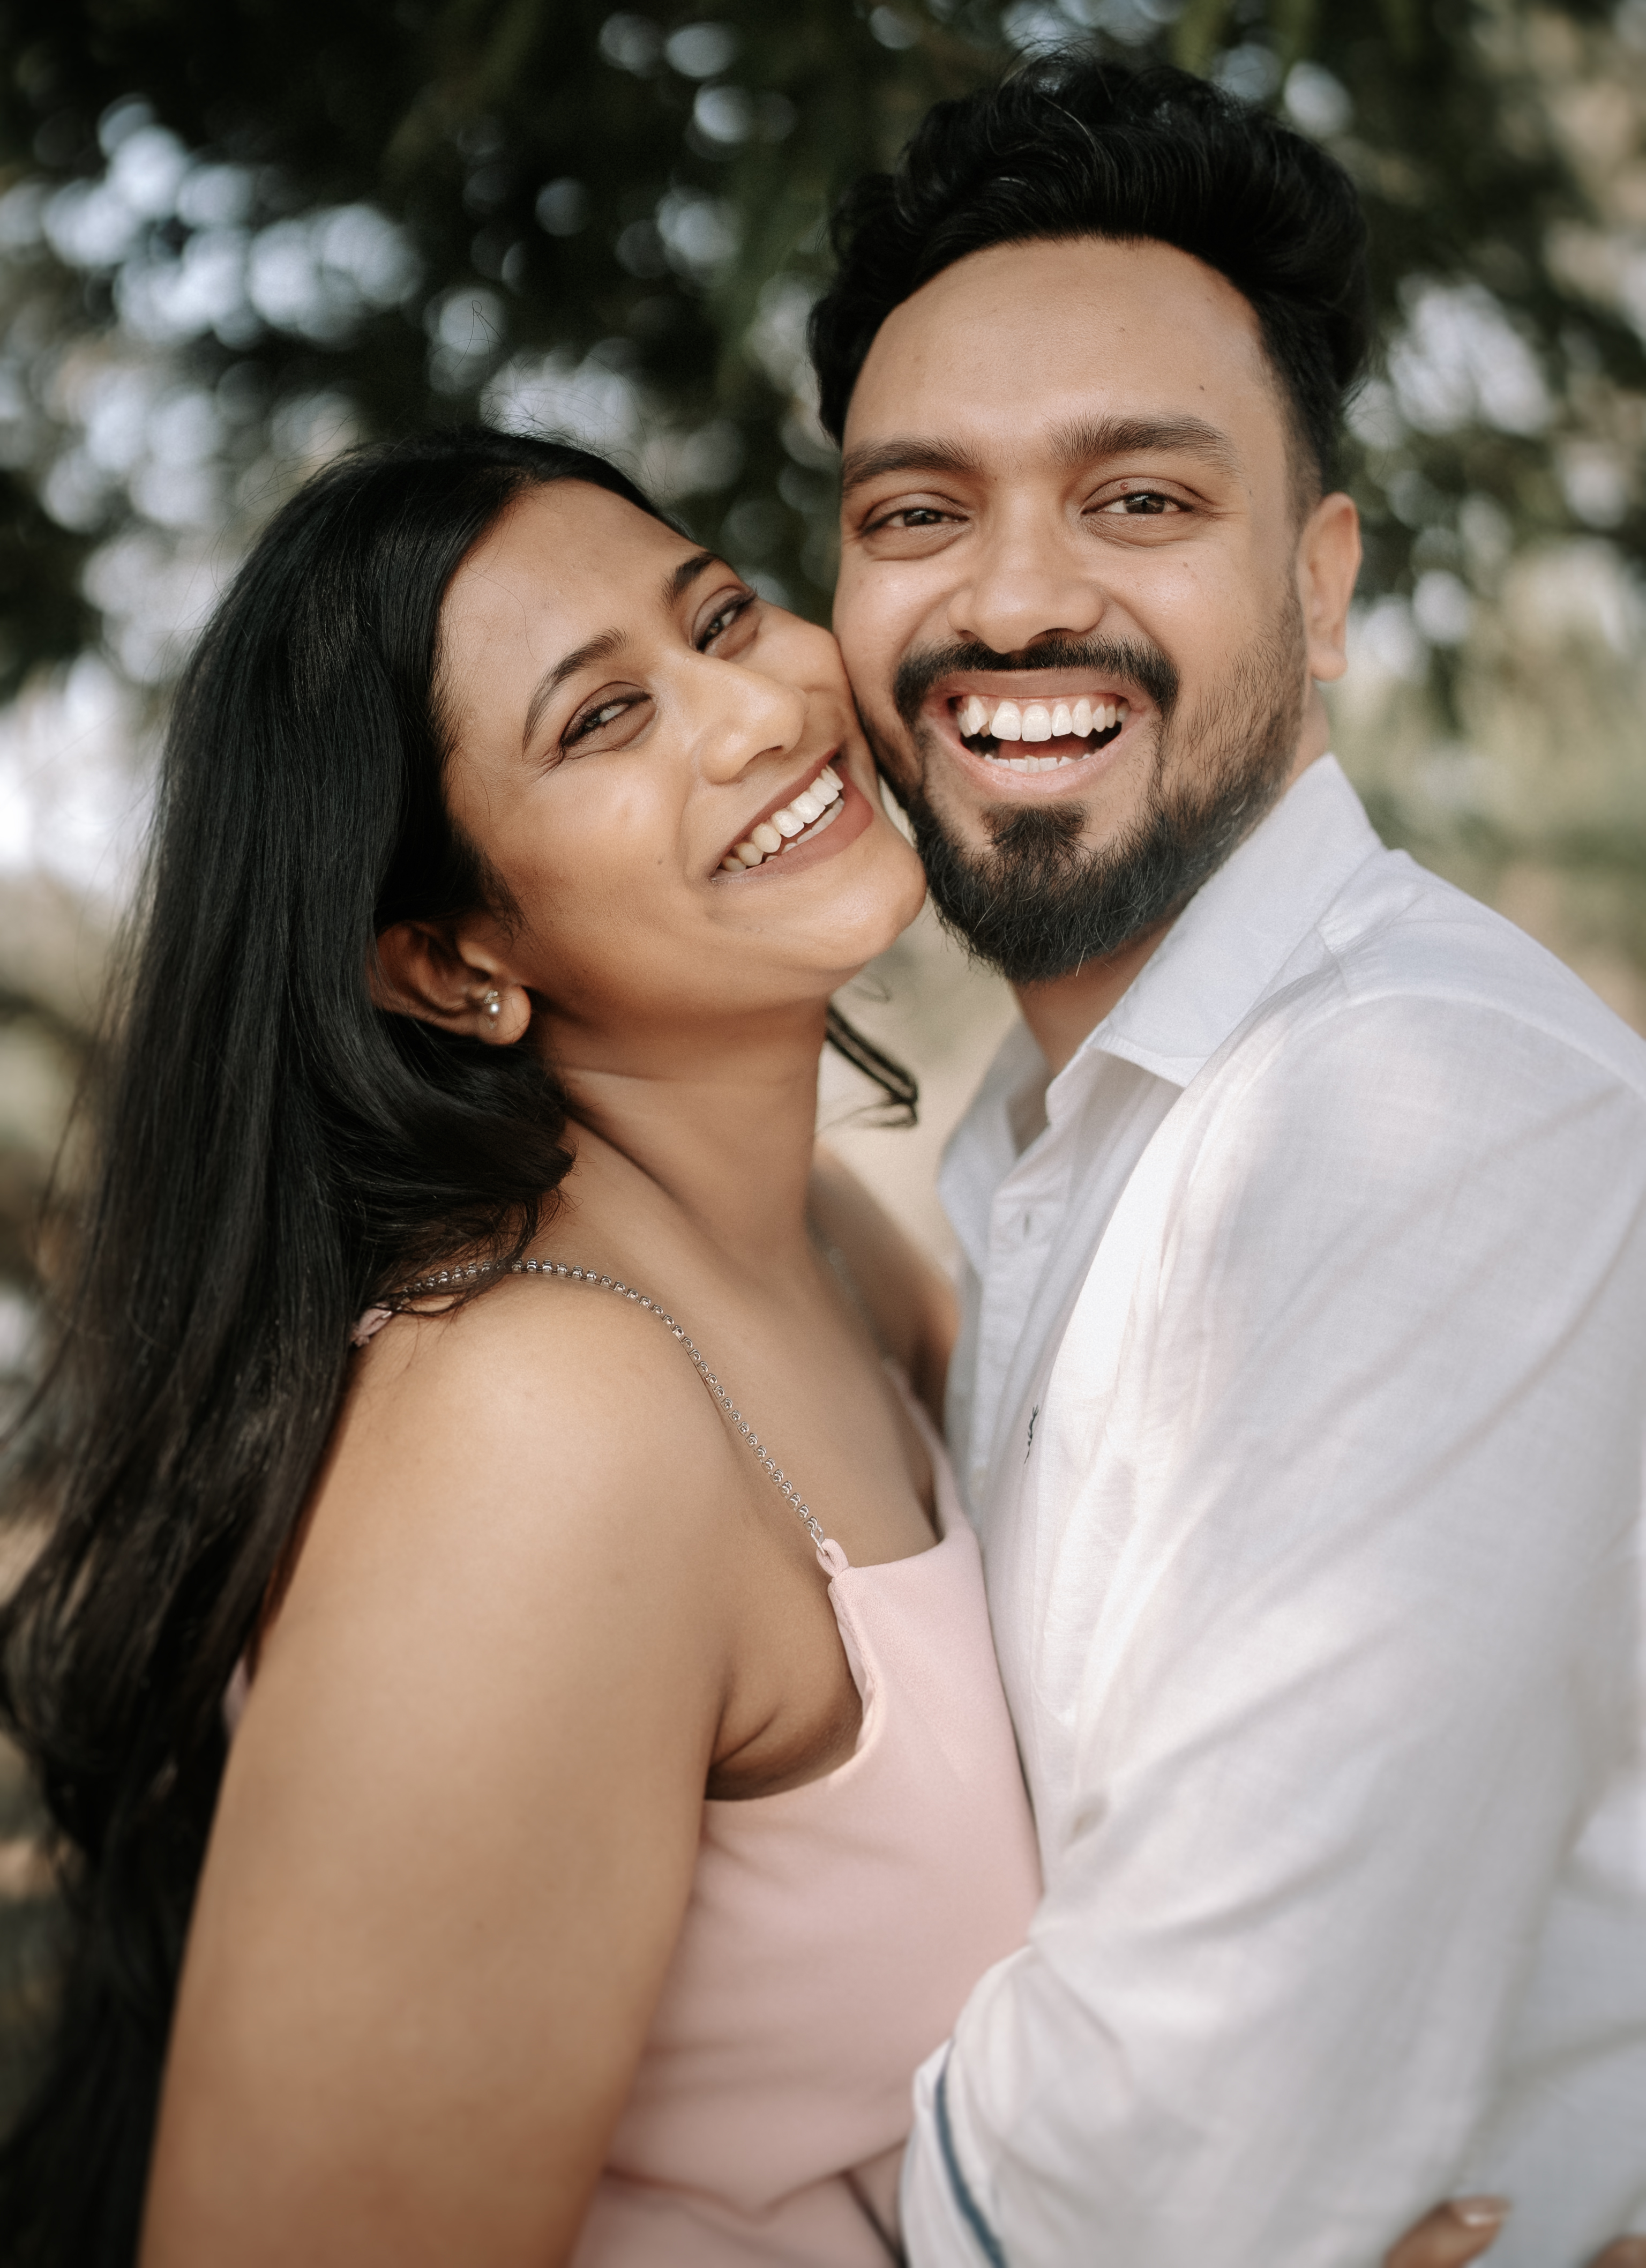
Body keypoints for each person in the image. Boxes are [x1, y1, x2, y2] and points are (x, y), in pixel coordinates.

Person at [0, 430, 1516, 2268]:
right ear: (453, 958)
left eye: (718, 612)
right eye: (601, 722)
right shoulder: (533, 1431)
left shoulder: (829, 1239)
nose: (754, 708)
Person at [813, 57, 1646, 2267]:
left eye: (1140, 502)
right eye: (914, 515)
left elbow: (1182, 2171)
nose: (1007, 603)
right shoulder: (1035, 1145)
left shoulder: (1439, 1114)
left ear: (1325, 578)